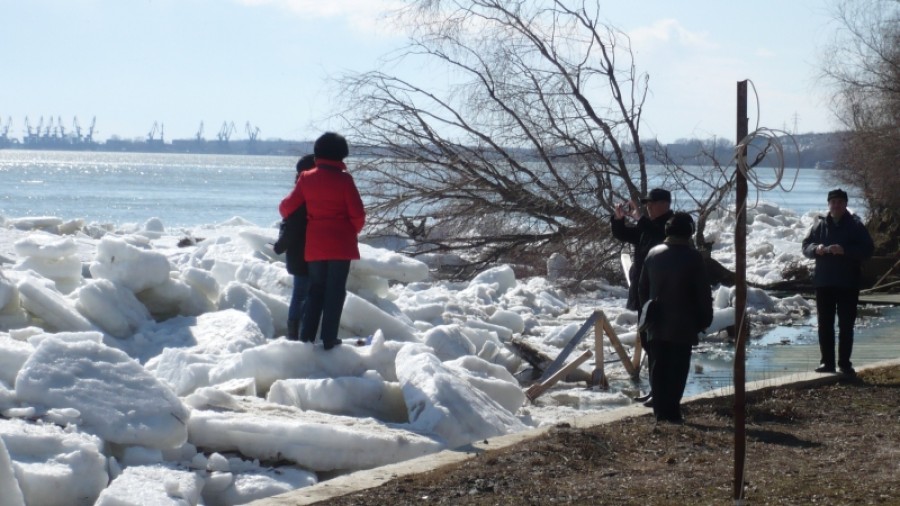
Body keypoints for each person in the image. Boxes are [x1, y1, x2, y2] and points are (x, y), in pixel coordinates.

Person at [279, 132, 365, 350]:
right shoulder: (345, 180)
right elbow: (358, 214)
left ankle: (306, 338)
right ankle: (329, 338)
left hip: (315, 244)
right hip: (341, 244)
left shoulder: (307, 178)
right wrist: (350, 230)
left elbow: (286, 207)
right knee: (335, 291)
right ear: (340, 156)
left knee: (315, 290)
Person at [638, 212, 713, 424]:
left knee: (658, 368)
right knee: (677, 370)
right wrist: (704, 320)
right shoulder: (693, 256)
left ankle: (660, 413)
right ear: (689, 231)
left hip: (656, 323)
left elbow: (642, 289)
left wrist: (646, 315)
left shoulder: (653, 254)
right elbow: (703, 293)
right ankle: (672, 412)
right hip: (683, 324)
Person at [611, 188, 674, 404]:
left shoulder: (671, 225)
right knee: (648, 342)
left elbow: (659, 236)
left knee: (658, 345)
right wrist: (618, 220)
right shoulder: (647, 226)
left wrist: (639, 218)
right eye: (646, 203)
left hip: (659, 296)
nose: (647, 207)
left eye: (652, 203)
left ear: (664, 204)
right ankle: (655, 390)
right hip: (643, 293)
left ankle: (662, 393)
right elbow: (624, 235)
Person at [801, 188, 874, 376]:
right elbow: (805, 246)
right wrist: (816, 248)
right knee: (825, 324)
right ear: (829, 205)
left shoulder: (856, 225)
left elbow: (867, 250)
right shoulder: (820, 225)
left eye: (840, 202)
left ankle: (844, 364)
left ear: (845, 205)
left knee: (846, 325)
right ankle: (827, 363)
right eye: (833, 202)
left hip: (848, 283)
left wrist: (845, 250)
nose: (836, 205)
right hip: (824, 282)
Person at [273, 154, 316, 340]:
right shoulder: (309, 195)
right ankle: (300, 334)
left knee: (300, 294)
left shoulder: (297, 196)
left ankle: (295, 333)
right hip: (309, 253)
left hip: (299, 254)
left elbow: (289, 224)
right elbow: (293, 225)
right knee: (306, 294)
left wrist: (280, 245)